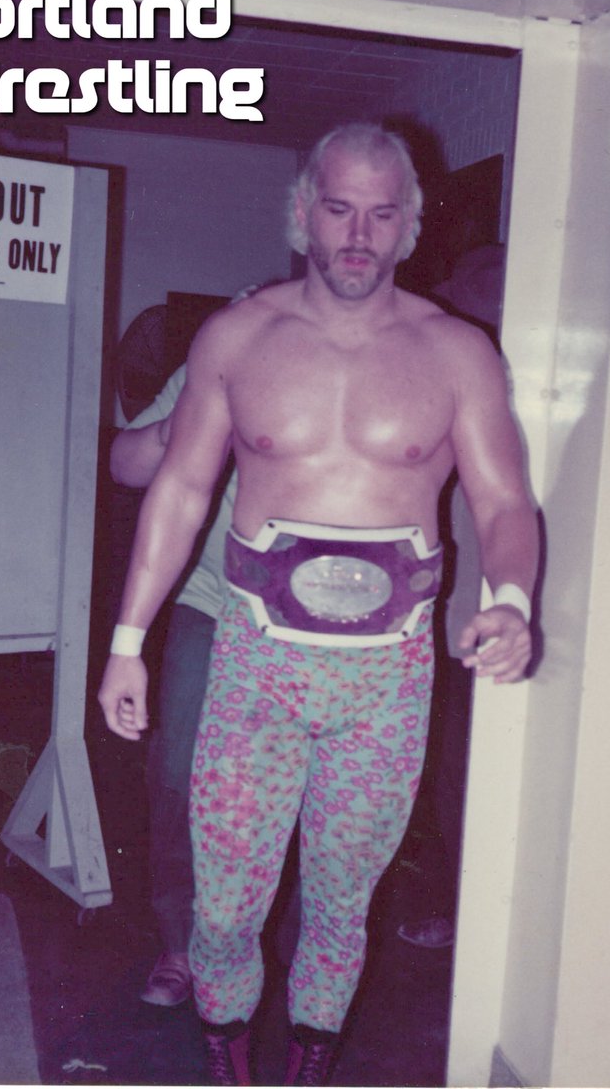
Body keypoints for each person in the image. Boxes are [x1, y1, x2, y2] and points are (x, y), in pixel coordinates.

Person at [98, 122, 539, 1087]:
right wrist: (128, 642)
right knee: (225, 911)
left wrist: (511, 598)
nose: (359, 236)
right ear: (303, 212)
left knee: (342, 909)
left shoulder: (457, 352)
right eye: (340, 209)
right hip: (255, 664)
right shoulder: (238, 337)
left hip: (386, 679)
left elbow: (506, 502)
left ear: (411, 225)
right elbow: (178, 488)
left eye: (382, 215)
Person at [110, 362, 236, 1007]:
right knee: (178, 775)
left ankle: (285, 960)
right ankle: (181, 947)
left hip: (315, 628)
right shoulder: (218, 352)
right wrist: (175, 425)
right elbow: (125, 465)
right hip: (210, 603)